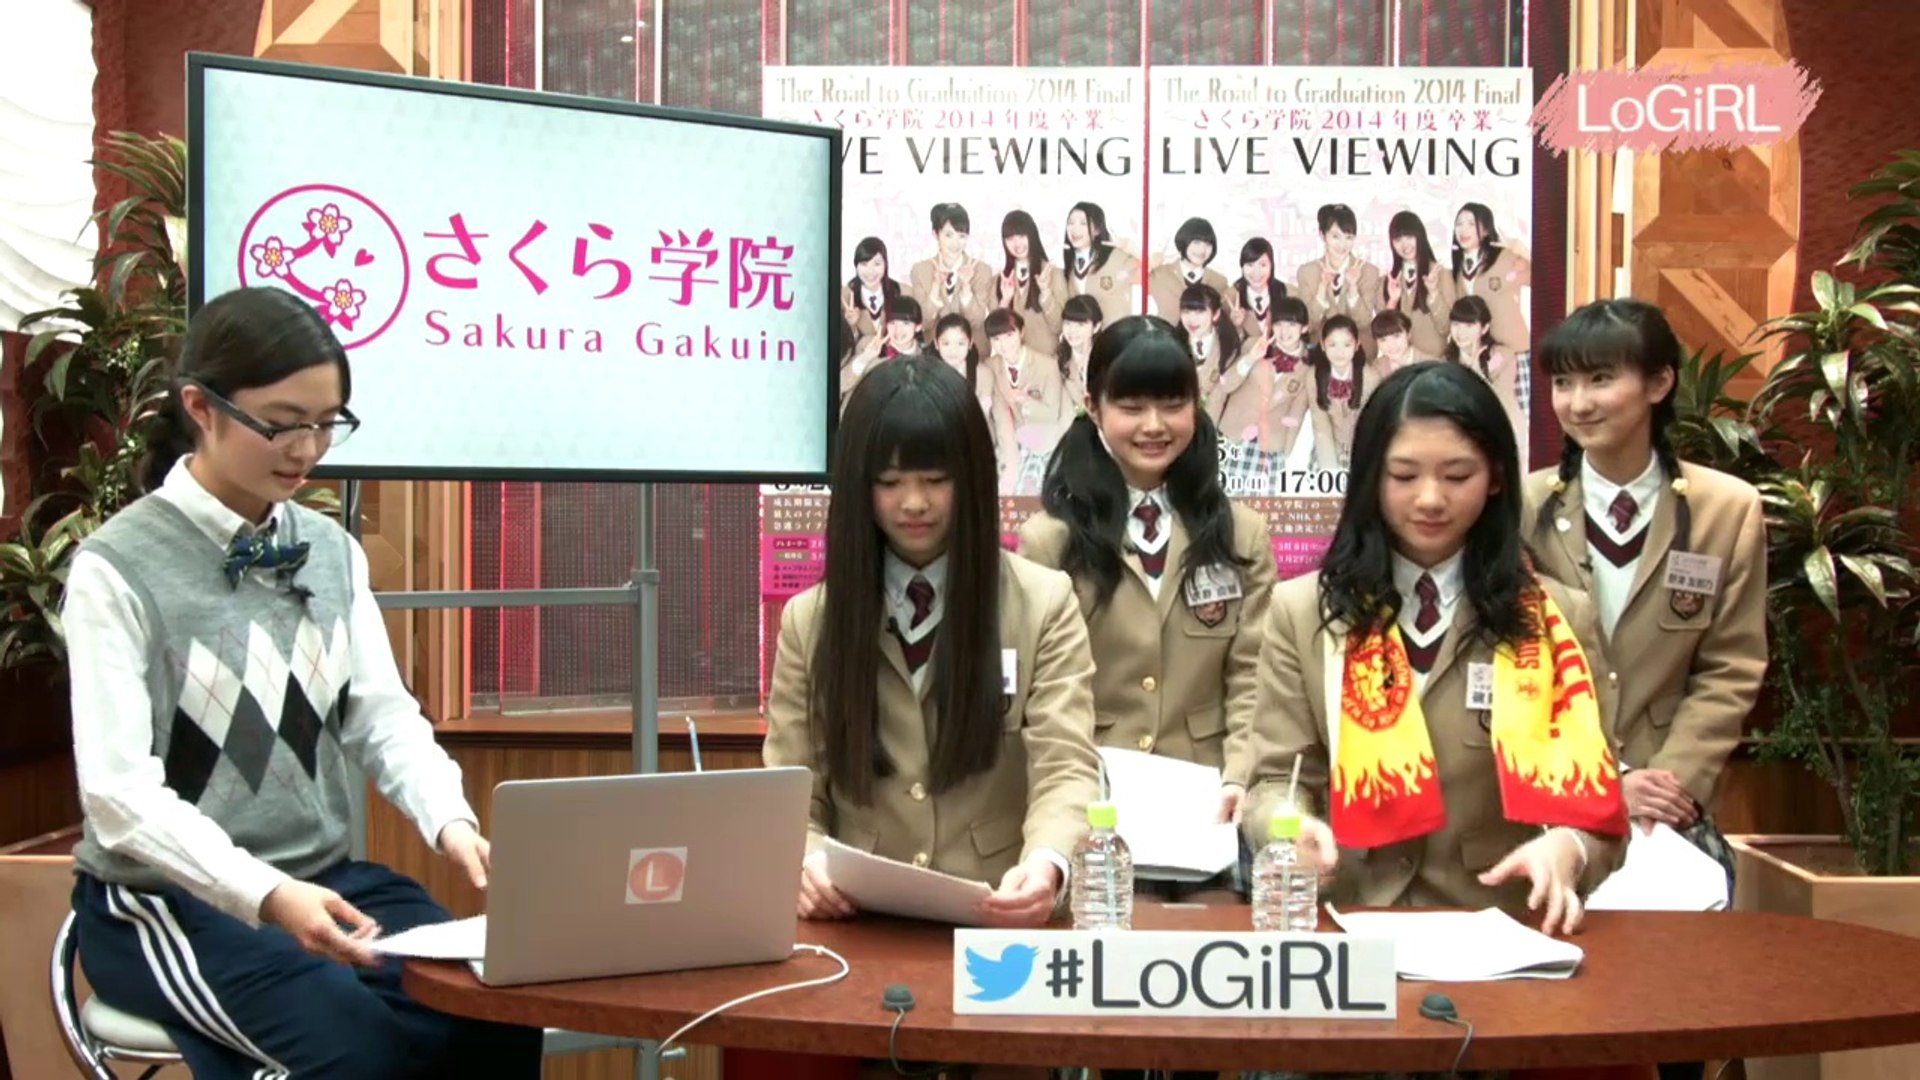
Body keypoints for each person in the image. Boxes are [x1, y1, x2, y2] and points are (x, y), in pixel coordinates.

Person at [65, 286, 542, 1080]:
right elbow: (119, 798)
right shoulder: (115, 569)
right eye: (282, 423)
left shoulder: (328, 550)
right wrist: (267, 895)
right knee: (357, 1050)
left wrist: (452, 822)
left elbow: (381, 717)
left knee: (495, 1013)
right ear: (201, 407)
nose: (307, 449)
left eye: (326, 423)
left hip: (325, 877)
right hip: (164, 902)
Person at [1241, 361, 1626, 950]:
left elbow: (1600, 811)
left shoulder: (1556, 618)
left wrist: (1570, 849)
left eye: (1457, 475)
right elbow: (1275, 778)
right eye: (1403, 475)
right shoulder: (1305, 612)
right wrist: (1288, 828)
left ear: (1496, 477)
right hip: (1350, 928)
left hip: (1501, 931)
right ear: (1371, 479)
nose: (1430, 499)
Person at [763, 356, 1102, 934]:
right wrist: (806, 859)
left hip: (999, 912)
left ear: (971, 479)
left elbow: (1066, 766)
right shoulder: (810, 620)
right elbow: (791, 786)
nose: (914, 503)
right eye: (890, 483)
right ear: (858, 488)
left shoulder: (1043, 603)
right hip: (858, 921)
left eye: (935, 480)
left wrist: (1047, 862)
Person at [1523, 303, 1765, 1080]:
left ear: (1659, 383)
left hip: (1668, 806)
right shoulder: (1522, 508)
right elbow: (1513, 668)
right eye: (1563, 384)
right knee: (1554, 1027)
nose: (1579, 402)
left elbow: (1730, 666)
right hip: (1549, 802)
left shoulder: (1726, 510)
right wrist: (1602, 784)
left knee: (1675, 1018)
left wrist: (1670, 781)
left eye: (1601, 379)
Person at [1020, 314, 1276, 886]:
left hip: (1210, 816)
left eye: (1172, 404)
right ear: (1093, 406)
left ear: (1197, 406)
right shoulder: (1051, 541)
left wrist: (1240, 775)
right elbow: (1042, 702)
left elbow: (1253, 678)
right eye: (1132, 406)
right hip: (1094, 817)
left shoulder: (1242, 536)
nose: (1154, 425)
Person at [1298, 203, 1382, 357]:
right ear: (1323, 235)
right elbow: (1309, 325)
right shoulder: (1307, 272)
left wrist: (1353, 288)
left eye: (1348, 237)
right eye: (1336, 236)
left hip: (1359, 351)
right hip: (1321, 352)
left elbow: (1363, 322)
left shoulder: (1369, 271)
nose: (1342, 245)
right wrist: (1322, 289)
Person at [909, 202, 995, 342]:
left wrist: (966, 287)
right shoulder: (920, 271)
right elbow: (924, 323)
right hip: (934, 350)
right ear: (936, 234)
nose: (955, 243)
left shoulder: (981, 270)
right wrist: (935, 288)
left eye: (961, 236)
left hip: (973, 350)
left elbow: (976, 322)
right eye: (948, 235)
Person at [996, 209, 1068, 355]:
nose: (1017, 244)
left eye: (1021, 236)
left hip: (1046, 361)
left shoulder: (1054, 274)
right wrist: (1005, 301)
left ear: (1032, 235)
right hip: (1012, 362)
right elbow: (995, 331)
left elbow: (1059, 327)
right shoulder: (1001, 280)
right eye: (1010, 239)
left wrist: (1046, 293)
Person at [1381, 209, 1449, 359]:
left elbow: (1446, 328)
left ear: (1420, 236)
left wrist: (1433, 293)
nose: (1404, 245)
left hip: (1433, 363)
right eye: (1398, 239)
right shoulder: (1388, 280)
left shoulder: (1442, 274)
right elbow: (1382, 332)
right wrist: (1393, 301)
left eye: (1409, 237)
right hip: (1399, 363)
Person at [1063, 200, 1140, 320]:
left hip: (1115, 329)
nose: (1075, 229)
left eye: (1083, 223)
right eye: (1070, 223)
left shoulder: (1116, 257)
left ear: (1097, 230)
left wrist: (1129, 247)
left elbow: (1147, 268)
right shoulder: (1069, 264)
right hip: (1084, 330)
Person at [1149, 216, 1236, 322]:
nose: (1202, 250)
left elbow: (1226, 321)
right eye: (1196, 242)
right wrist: (1149, 264)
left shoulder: (1219, 282)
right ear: (1183, 241)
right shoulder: (1160, 274)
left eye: (1208, 244)